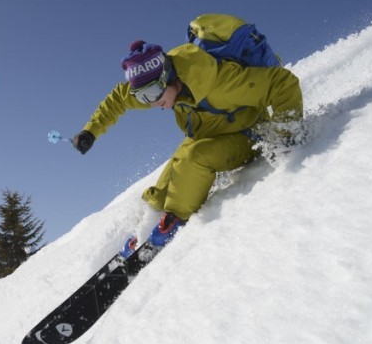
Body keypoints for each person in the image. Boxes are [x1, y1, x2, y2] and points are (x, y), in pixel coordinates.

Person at [72, 39, 303, 252]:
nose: (151, 103)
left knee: (193, 159)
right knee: (163, 186)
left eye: (152, 93)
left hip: (247, 133)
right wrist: (90, 131)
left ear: (168, 77)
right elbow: (118, 99)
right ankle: (150, 223)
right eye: (142, 97)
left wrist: (285, 138)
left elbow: (283, 83)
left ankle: (173, 222)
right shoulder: (157, 88)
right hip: (208, 134)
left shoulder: (219, 83)